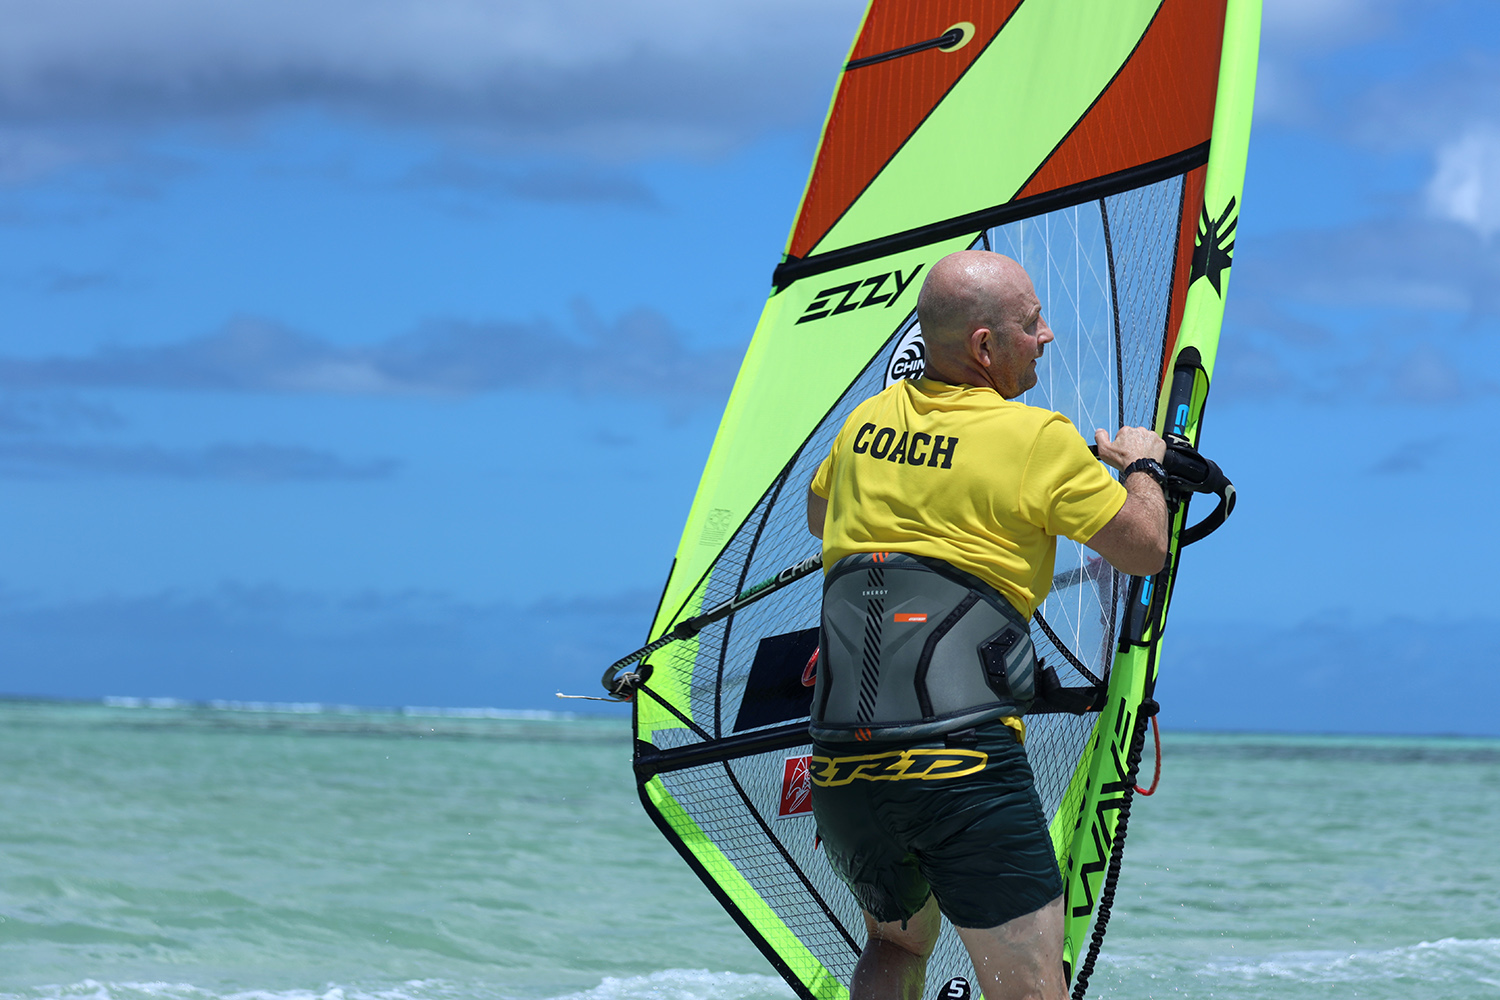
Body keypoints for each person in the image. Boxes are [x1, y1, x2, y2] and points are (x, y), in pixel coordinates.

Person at [803, 250, 1169, 1000]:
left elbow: (821, 515)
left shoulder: (867, 422)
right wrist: (1143, 465)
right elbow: (1144, 547)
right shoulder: (1037, 438)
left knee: (895, 947)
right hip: (959, 765)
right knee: (1029, 987)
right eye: (1031, 324)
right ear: (983, 347)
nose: (1047, 337)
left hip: (844, 765)